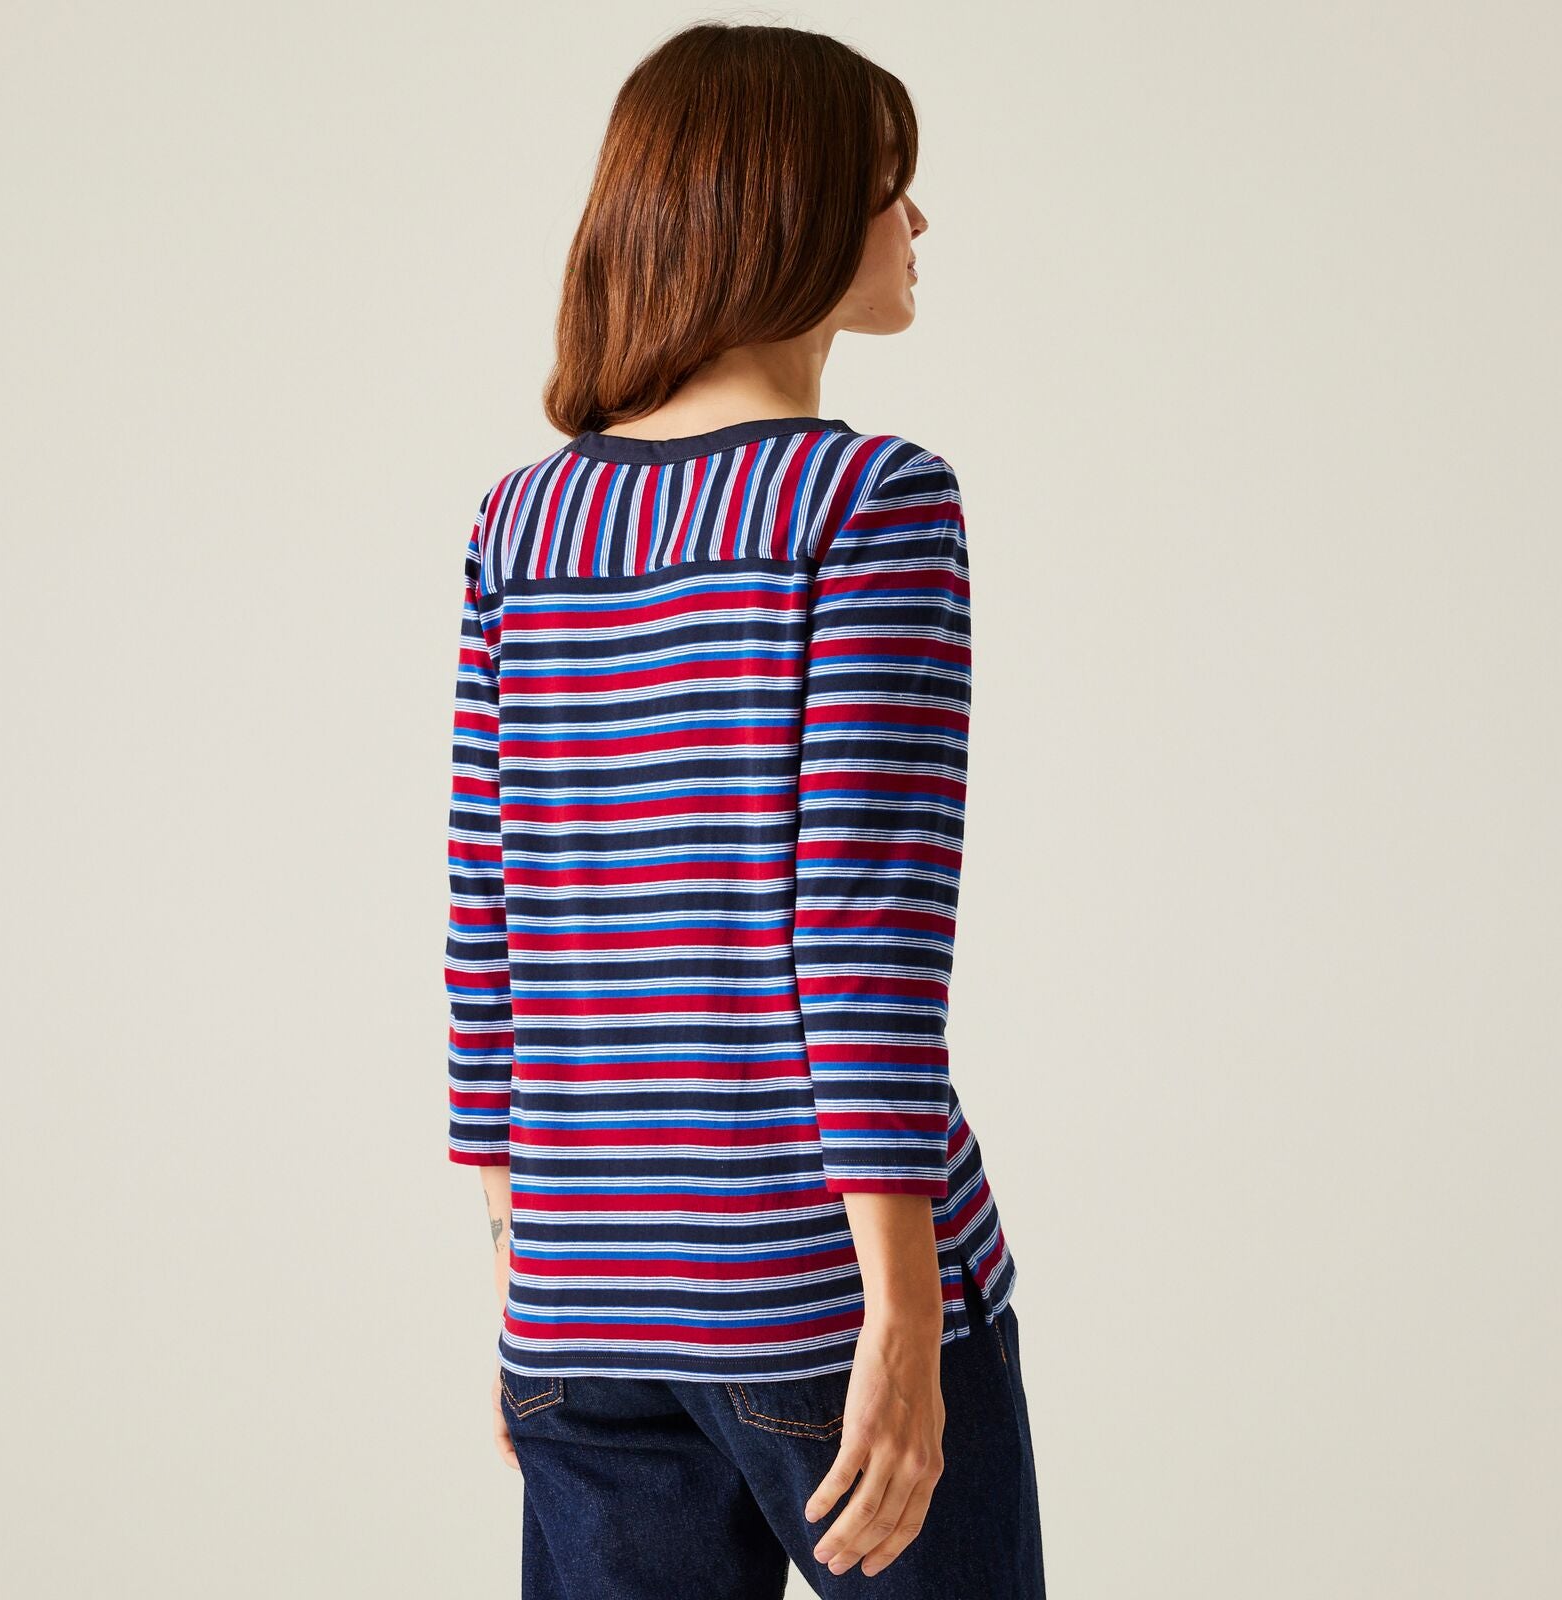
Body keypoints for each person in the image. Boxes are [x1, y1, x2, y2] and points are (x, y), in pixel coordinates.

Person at [444, 20, 1046, 1597]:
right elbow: (863, 929)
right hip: (814, 1291)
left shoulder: (522, 523)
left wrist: (522, 1279)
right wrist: (904, 1319)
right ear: (788, 208)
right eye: (889, 187)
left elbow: (490, 924)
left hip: (579, 1302)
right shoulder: (868, 500)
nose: (917, 221)